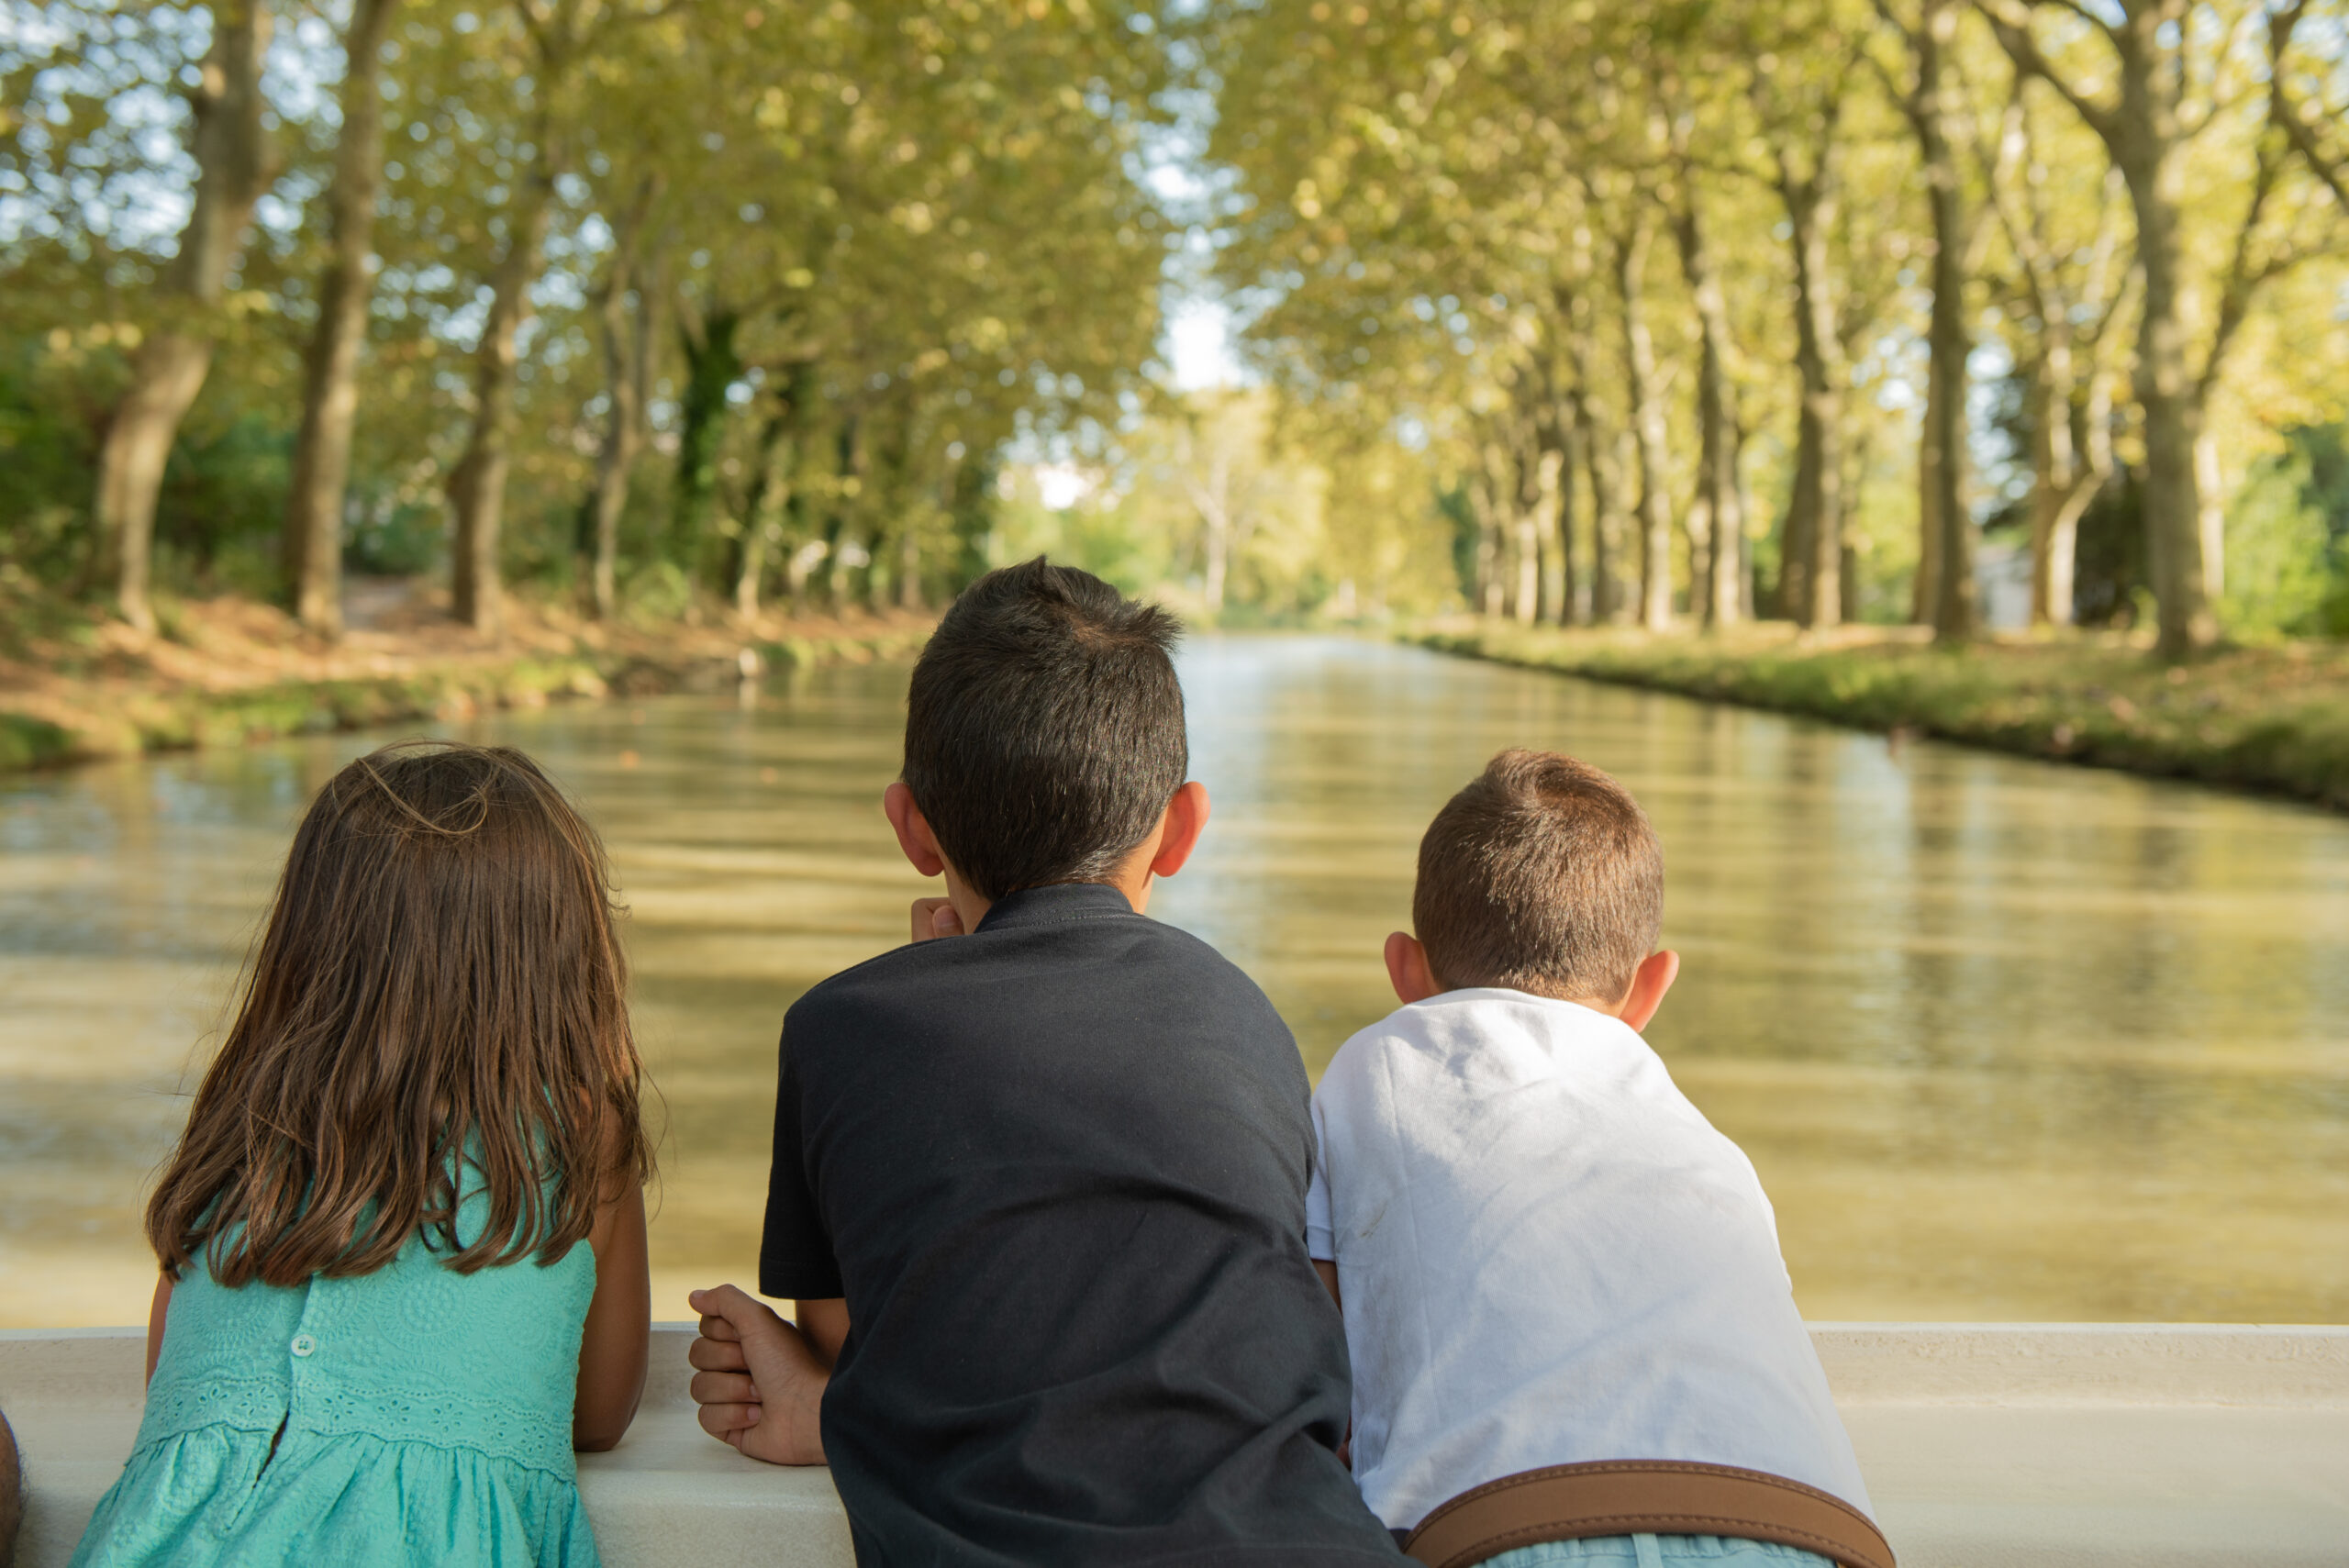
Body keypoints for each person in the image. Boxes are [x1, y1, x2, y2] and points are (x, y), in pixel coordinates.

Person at [687, 559, 1402, 1567]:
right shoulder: (1247, 1016)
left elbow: (867, 1337)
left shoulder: (839, 1027)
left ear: (909, 826)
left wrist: (816, 1402)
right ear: (1183, 827)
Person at [71, 742, 653, 1568]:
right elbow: (595, 1413)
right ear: (555, 950)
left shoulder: (241, 1121)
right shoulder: (581, 1132)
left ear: (305, 939)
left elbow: (167, 1382)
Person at [1309, 750, 1892, 1568]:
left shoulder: (1372, 1067)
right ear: (1651, 988)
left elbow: (1312, 1339)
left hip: (1504, 1527)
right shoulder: (1706, 1144)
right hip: (1807, 1525)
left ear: (1405, 968)